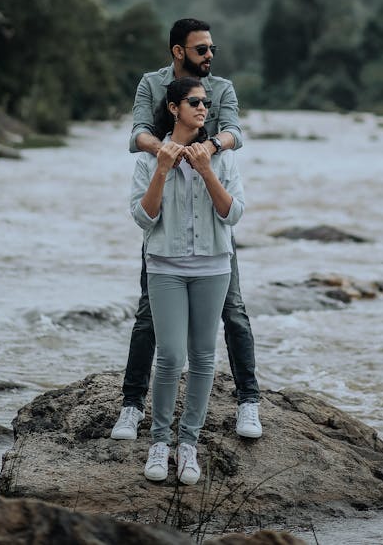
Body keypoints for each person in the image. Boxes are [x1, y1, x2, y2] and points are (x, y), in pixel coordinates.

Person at [112, 18, 262, 441]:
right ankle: (131, 404)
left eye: (211, 48)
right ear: (178, 52)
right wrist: (165, 152)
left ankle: (248, 401)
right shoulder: (151, 84)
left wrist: (208, 150)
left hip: (210, 207)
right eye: (201, 49)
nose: (210, 55)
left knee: (234, 311)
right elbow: (138, 132)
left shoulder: (222, 88)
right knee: (147, 315)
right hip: (168, 206)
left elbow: (233, 132)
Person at [130, 77, 245, 484]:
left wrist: (206, 170)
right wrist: (162, 168)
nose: (202, 108)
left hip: (214, 265)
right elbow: (143, 218)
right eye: (194, 102)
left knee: (202, 358)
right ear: (174, 107)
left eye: (206, 102)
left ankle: (188, 444)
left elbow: (233, 215)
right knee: (170, 356)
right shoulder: (147, 158)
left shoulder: (222, 157)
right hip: (165, 265)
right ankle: (159, 442)